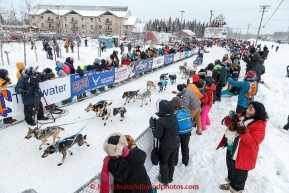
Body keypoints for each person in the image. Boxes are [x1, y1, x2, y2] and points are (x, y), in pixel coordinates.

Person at [217, 101, 268, 193]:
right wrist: (230, 118)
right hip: (231, 148)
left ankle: (236, 190)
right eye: (248, 108)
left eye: (251, 109)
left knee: (239, 176)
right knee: (231, 168)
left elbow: (253, 142)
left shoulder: (260, 125)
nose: (247, 110)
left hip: (243, 154)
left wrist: (240, 126)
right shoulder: (242, 116)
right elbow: (228, 124)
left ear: (257, 112)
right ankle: (231, 184)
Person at [149, 100, 180, 184]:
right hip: (176, 142)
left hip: (166, 145)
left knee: (164, 162)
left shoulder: (161, 120)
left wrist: (152, 126)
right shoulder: (173, 116)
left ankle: (164, 180)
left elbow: (157, 135)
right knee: (171, 160)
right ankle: (170, 178)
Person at [171, 96, 192, 167]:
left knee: (176, 148)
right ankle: (185, 161)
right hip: (187, 132)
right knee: (185, 147)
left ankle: (175, 162)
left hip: (178, 133)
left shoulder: (173, 112)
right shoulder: (186, 109)